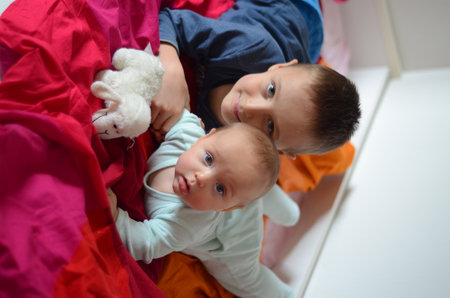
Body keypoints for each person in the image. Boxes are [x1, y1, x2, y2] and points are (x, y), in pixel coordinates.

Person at [108, 109, 299, 298]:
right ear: (205, 137)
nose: (202, 178)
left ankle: (285, 294)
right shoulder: (188, 135)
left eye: (219, 188)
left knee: (248, 279)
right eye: (208, 159)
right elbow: (176, 112)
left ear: (227, 208)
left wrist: (117, 219)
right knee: (253, 185)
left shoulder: (188, 222)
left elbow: (147, 243)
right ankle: (288, 212)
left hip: (234, 241)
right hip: (241, 195)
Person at [150, 0, 361, 157]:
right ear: (279, 67)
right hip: (288, 9)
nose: (250, 108)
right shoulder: (250, 47)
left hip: (300, 53)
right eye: (270, 91)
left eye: (270, 127)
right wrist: (170, 67)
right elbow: (170, 19)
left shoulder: (236, 154)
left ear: (279, 153)